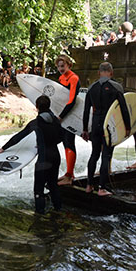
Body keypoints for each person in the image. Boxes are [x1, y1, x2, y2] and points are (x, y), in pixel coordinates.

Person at [0, 95, 63, 214]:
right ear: (49, 106)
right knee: (53, 185)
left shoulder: (36, 123)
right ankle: (58, 211)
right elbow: (60, 138)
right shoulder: (56, 121)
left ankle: (40, 214)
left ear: (37, 107)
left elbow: (19, 136)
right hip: (56, 156)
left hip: (44, 159)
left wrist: (3, 148)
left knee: (39, 189)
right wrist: (46, 143)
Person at [82, 62, 131, 196]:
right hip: (109, 124)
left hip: (96, 123)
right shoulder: (116, 87)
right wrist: (127, 127)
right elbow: (124, 109)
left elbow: (86, 111)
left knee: (94, 154)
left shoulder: (91, 88)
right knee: (106, 155)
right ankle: (102, 188)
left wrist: (85, 129)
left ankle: (88, 185)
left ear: (99, 73)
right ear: (111, 72)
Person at [55, 55, 80, 186]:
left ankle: (69, 176)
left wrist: (61, 116)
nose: (60, 68)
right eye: (59, 66)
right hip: (62, 113)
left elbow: (71, 101)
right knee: (65, 142)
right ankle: (68, 173)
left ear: (69, 65)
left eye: (62, 66)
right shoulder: (61, 78)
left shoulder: (74, 78)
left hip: (71, 114)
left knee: (70, 141)